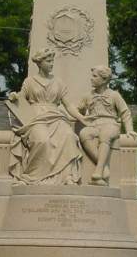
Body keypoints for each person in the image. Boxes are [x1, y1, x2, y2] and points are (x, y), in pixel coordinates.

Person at [8, 47, 88, 185]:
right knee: (42, 140)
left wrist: (82, 118)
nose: (51, 64)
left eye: (52, 61)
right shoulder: (30, 81)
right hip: (36, 118)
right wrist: (14, 96)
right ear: (39, 62)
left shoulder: (58, 82)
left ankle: (67, 176)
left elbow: (68, 105)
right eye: (48, 61)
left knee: (69, 136)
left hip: (56, 116)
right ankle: (30, 177)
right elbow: (21, 97)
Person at [78, 65, 137, 186]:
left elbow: (125, 113)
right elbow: (78, 110)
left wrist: (130, 130)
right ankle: (104, 167)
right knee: (83, 133)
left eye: (95, 76)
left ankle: (98, 172)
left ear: (104, 79)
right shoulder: (88, 96)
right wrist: (79, 116)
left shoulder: (114, 95)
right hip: (94, 125)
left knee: (105, 134)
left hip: (111, 124)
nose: (91, 79)